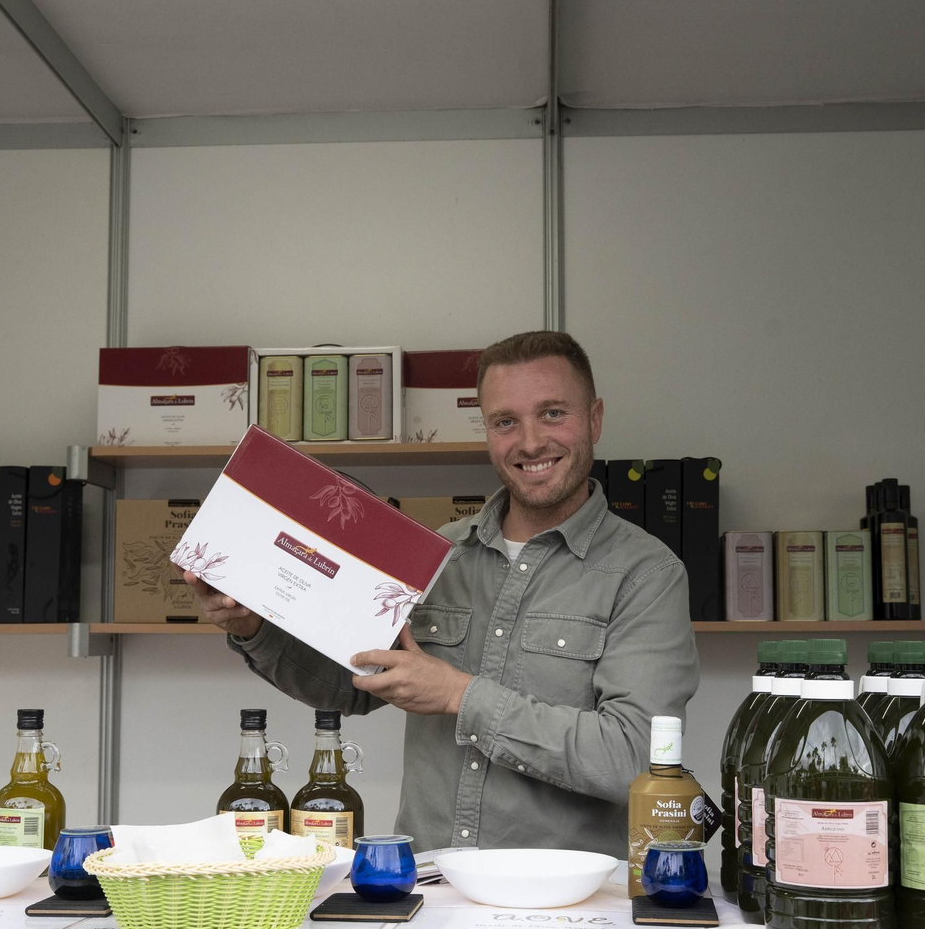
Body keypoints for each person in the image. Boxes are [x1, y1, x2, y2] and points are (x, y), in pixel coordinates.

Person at [188, 331, 699, 859]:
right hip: (430, 885)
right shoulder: (438, 553)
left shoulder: (647, 574)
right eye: (505, 421)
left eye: (552, 414)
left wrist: (461, 696)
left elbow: (637, 758)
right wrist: (252, 625)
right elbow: (353, 683)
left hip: (572, 906)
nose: (529, 442)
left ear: (593, 419)